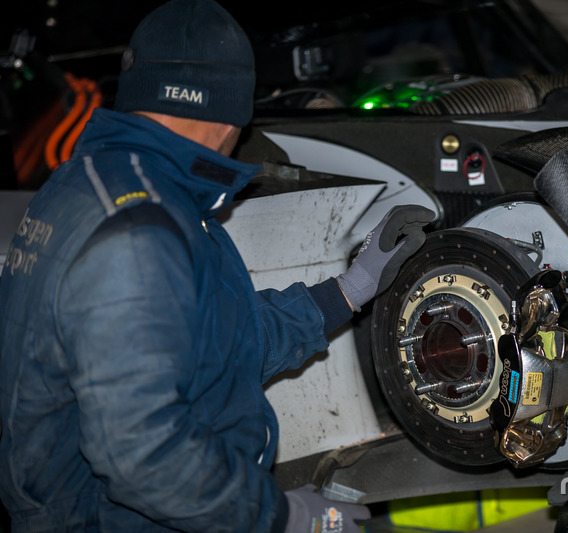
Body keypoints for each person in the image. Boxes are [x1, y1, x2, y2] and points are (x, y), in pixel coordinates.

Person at [0, 0, 435, 531]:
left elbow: (216, 342)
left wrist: (350, 289)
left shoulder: (95, 185)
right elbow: (143, 457)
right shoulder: (138, 232)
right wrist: (279, 516)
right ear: (230, 113)